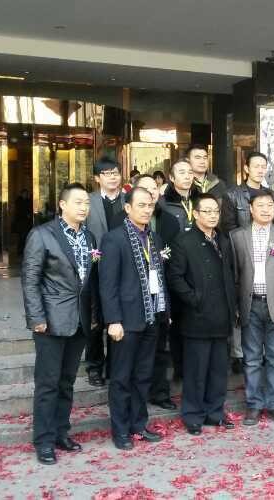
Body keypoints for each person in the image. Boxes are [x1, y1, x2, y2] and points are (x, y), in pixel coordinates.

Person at [21, 183, 96, 465]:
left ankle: (61, 432)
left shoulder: (89, 237)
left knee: (67, 382)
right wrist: (36, 318)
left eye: (86, 203)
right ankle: (43, 440)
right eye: (78, 202)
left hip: (79, 320)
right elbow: (30, 280)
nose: (83, 207)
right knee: (48, 383)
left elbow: (89, 281)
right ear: (62, 205)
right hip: (51, 321)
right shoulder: (42, 234)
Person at [99, 187, 167, 450]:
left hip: (151, 317)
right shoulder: (113, 239)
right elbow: (108, 285)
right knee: (121, 378)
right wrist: (113, 320)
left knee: (143, 376)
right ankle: (120, 431)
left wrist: (164, 312)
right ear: (127, 208)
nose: (147, 210)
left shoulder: (154, 238)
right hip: (125, 321)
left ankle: (139, 424)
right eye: (141, 205)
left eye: (150, 206)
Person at [166, 193, 237, 435]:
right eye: (206, 211)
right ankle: (193, 415)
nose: (212, 215)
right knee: (196, 371)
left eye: (215, 211)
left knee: (218, 370)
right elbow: (175, 278)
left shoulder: (222, 239)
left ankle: (215, 412)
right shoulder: (183, 241)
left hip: (222, 314)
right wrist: (194, 298)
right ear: (195, 214)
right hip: (197, 316)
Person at [228, 189, 274, 426]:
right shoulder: (237, 236)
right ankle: (254, 405)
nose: (266, 210)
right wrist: (235, 306)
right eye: (261, 205)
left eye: (270, 205)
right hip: (250, 304)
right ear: (251, 209)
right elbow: (234, 276)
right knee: (251, 358)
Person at [220, 151, 274, 374]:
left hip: (268, 256)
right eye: (256, 166)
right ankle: (239, 354)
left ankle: (262, 353)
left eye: (263, 166)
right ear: (246, 168)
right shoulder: (232, 195)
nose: (260, 170)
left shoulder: (271, 194)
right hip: (241, 255)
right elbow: (228, 228)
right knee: (243, 304)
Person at [131, 174, 180, 411]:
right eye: (145, 188)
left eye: (154, 189)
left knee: (160, 348)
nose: (151, 193)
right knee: (136, 352)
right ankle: (136, 397)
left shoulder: (168, 220)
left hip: (161, 292)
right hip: (134, 297)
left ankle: (160, 392)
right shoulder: (121, 221)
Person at [83, 157, 126, 388]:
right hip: (96, 269)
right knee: (96, 321)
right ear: (97, 178)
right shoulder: (88, 202)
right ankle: (94, 366)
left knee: (120, 318)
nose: (113, 177)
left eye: (116, 173)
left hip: (125, 269)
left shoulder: (129, 200)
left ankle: (115, 365)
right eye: (107, 174)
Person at [158, 158, 198, 382]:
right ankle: (179, 368)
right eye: (181, 172)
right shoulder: (163, 204)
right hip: (173, 267)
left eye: (190, 172)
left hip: (198, 267)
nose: (187, 176)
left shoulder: (201, 200)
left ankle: (193, 366)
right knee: (177, 321)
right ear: (171, 178)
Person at [13, 188, 34, 255]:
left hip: (27, 222)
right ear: (22, 194)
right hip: (21, 221)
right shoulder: (19, 201)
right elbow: (19, 211)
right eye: (24, 193)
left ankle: (25, 250)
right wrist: (26, 214)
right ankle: (20, 251)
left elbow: (30, 208)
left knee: (26, 236)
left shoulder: (27, 200)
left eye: (26, 194)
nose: (25, 195)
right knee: (21, 237)